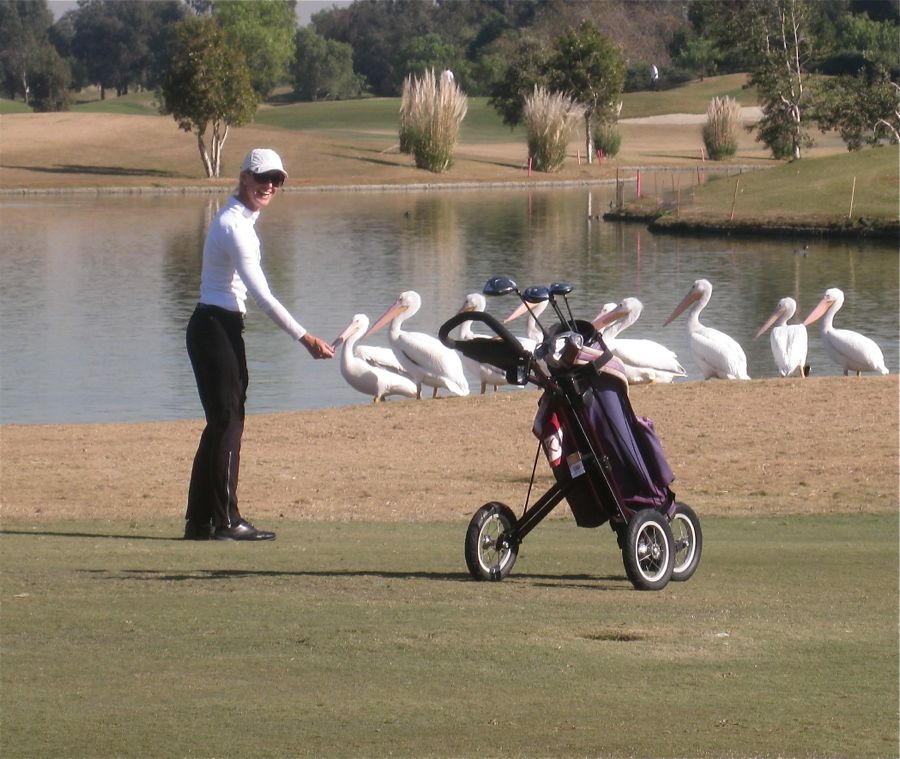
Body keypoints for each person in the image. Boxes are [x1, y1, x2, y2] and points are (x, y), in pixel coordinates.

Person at [184, 148, 334, 542]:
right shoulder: (235, 226)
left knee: (220, 424)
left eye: (276, 180)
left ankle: (201, 521)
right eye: (262, 177)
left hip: (218, 326)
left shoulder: (241, 221)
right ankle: (227, 520)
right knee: (229, 423)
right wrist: (305, 337)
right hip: (215, 327)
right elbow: (262, 295)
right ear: (244, 178)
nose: (269, 185)